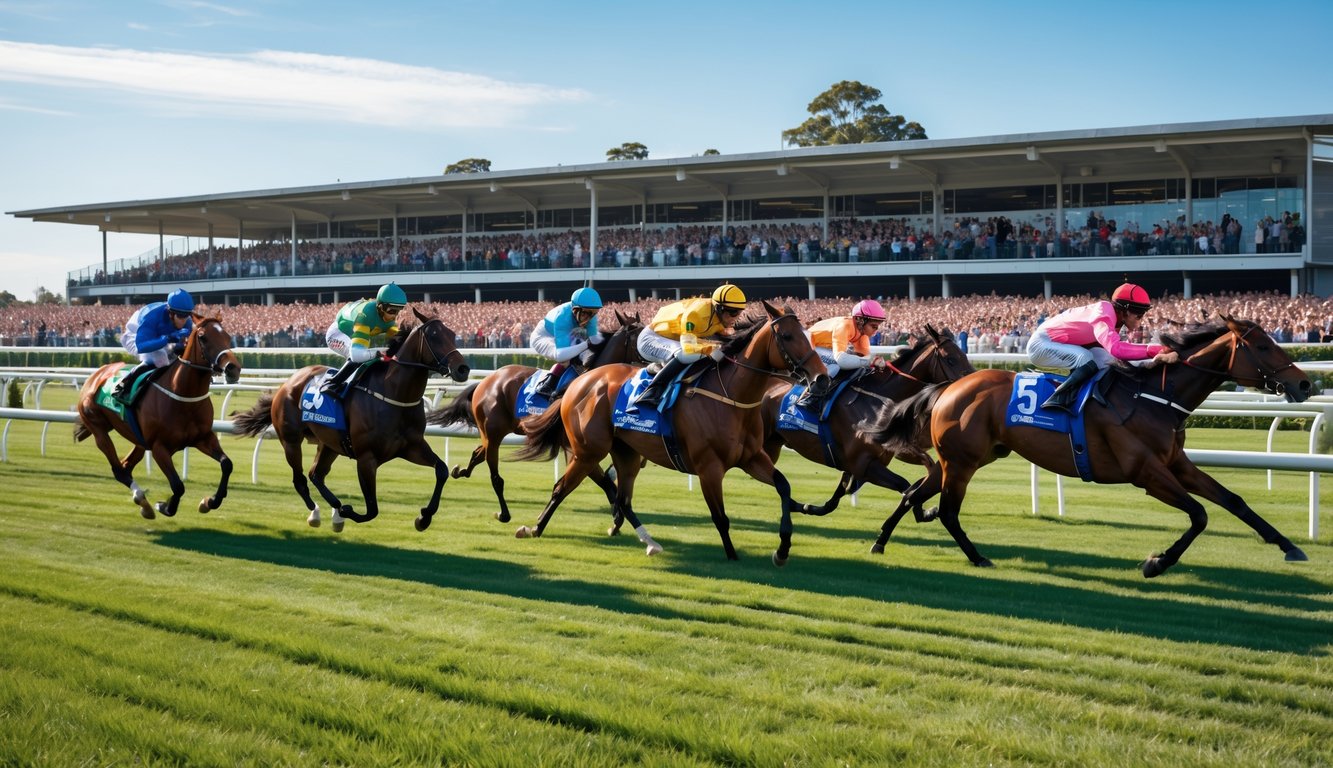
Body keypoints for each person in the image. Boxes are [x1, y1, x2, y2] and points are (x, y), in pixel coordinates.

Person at [1026, 282, 1178, 414]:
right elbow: (1117, 349)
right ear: (1124, 310)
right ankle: (1058, 400)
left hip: (1060, 344)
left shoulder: (1115, 320)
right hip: (1041, 344)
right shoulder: (1104, 312)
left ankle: (1091, 404)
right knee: (1085, 358)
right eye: (1138, 316)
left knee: (1107, 361)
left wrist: (1153, 359)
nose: (1140, 321)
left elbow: (1117, 357)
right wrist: (1158, 349)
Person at [631, 283, 747, 411]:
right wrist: (713, 348)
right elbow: (689, 346)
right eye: (734, 313)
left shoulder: (720, 318)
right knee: (686, 354)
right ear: (719, 308)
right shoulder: (695, 314)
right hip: (651, 339)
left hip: (671, 341)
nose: (736, 318)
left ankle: (657, 367)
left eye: (740, 312)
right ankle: (652, 391)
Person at [320, 282, 407, 396]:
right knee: (358, 358)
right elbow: (357, 355)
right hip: (337, 335)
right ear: (380, 307)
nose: (394, 316)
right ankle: (332, 384)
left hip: (352, 332)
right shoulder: (365, 316)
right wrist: (378, 354)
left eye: (398, 310)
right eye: (392, 310)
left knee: (370, 358)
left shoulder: (388, 320)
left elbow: (399, 340)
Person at [798, 299, 887, 408]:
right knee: (835, 364)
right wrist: (870, 361)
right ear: (860, 320)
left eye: (878, 326)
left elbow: (863, 360)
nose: (876, 330)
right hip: (805, 346)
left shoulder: (862, 335)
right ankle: (809, 397)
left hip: (821, 348)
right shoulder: (845, 325)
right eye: (874, 326)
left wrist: (874, 364)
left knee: (858, 363)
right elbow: (841, 360)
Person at [112, 288, 195, 404]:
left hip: (158, 336)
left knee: (176, 355)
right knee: (160, 359)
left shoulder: (185, 318)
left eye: (187, 315)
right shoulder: (151, 316)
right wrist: (167, 338)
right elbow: (141, 346)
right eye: (181, 316)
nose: (184, 320)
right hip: (135, 336)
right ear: (171, 313)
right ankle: (123, 385)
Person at [529, 287, 603, 398]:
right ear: (575, 310)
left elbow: (595, 339)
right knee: (566, 360)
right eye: (585, 314)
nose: (588, 318)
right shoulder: (562, 317)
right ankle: (548, 384)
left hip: (565, 335)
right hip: (544, 337)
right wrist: (586, 344)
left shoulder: (590, 315)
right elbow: (561, 355)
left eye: (593, 313)